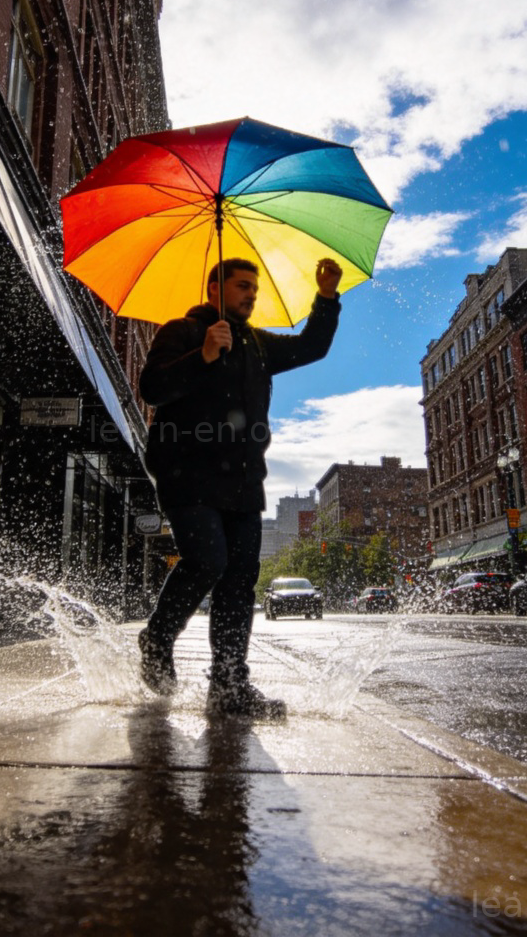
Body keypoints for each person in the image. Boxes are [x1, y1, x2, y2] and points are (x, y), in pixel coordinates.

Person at [137, 256, 343, 718]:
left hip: (245, 481)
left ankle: (229, 687)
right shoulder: (182, 332)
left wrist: (326, 298)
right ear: (215, 290)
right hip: (186, 473)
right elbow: (152, 388)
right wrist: (203, 356)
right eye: (243, 286)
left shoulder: (256, 343)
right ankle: (157, 637)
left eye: (255, 287)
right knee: (207, 559)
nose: (252, 294)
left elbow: (311, 347)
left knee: (239, 583)